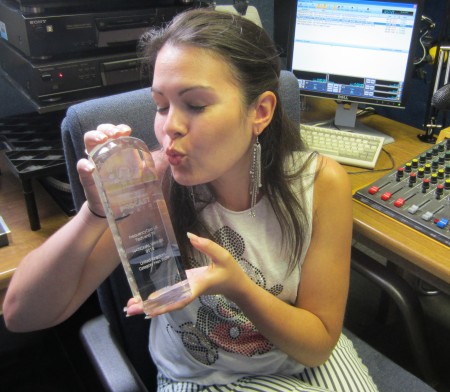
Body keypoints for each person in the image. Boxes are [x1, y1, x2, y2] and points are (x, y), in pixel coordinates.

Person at [3, 8, 378, 392]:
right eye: (161, 105)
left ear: (260, 111)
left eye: (195, 105)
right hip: (205, 377)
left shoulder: (318, 183)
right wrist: (97, 211)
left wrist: (239, 288)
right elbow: (20, 314)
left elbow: (317, 345)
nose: (169, 127)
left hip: (302, 356)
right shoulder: (152, 184)